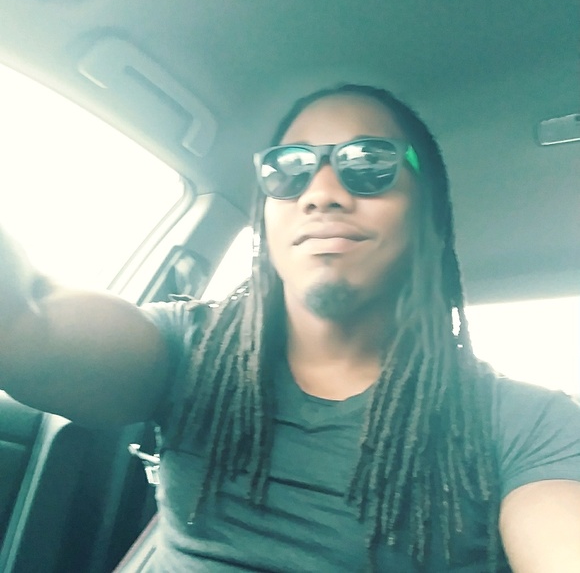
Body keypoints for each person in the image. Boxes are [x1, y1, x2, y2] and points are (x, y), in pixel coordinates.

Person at [1, 84, 580, 572]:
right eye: (289, 169)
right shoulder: (189, 349)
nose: (322, 193)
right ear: (267, 217)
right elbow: (25, 323)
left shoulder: (525, 425)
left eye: (368, 163)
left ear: (429, 217)